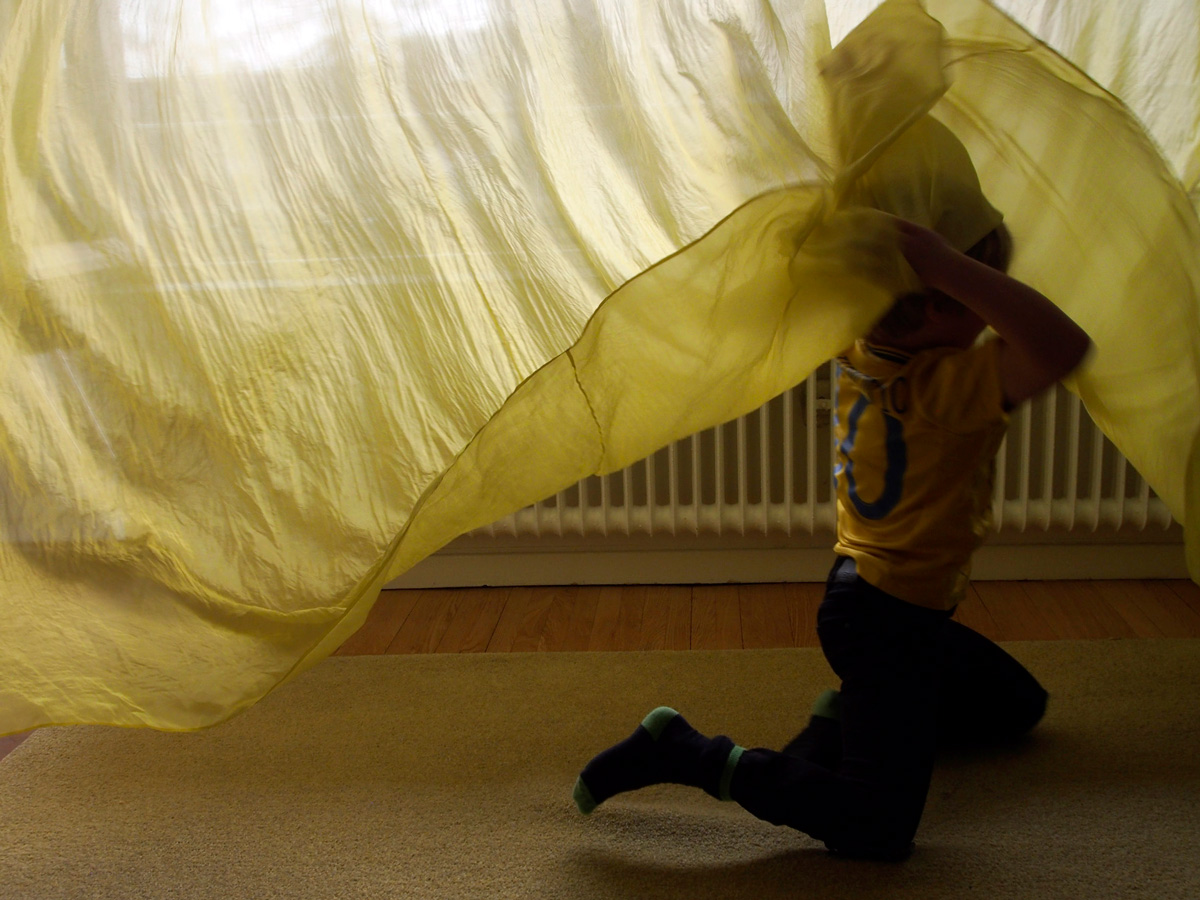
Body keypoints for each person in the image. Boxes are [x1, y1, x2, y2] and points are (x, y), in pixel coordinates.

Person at [571, 213, 1093, 861]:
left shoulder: (858, 349)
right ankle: (684, 750)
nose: (990, 319)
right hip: (887, 622)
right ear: (939, 302)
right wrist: (949, 265)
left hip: (876, 602)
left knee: (1016, 707)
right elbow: (1062, 345)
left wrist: (920, 262)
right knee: (877, 829)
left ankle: (840, 727)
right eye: (979, 299)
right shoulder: (946, 387)